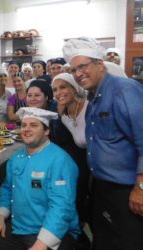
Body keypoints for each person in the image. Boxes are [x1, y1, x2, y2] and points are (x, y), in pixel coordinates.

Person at [63, 36, 143, 250]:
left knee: (126, 243)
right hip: (101, 187)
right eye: (73, 70)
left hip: (126, 191)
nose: (78, 74)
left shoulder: (124, 90)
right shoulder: (93, 98)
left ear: (100, 63)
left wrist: (141, 187)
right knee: (103, 240)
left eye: (83, 66)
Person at [0, 107, 80, 250]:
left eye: (33, 125)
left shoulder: (60, 160)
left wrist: (41, 244)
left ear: (46, 131)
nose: (26, 129)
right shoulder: (17, 157)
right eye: (24, 125)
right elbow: (7, 188)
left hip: (51, 231)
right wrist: (0, 218)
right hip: (19, 227)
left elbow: (62, 207)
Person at [51, 73, 91, 249]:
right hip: (73, 164)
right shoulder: (64, 112)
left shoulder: (89, 107)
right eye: (55, 89)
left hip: (91, 166)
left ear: (74, 87)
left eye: (63, 87)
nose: (59, 92)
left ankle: (79, 239)